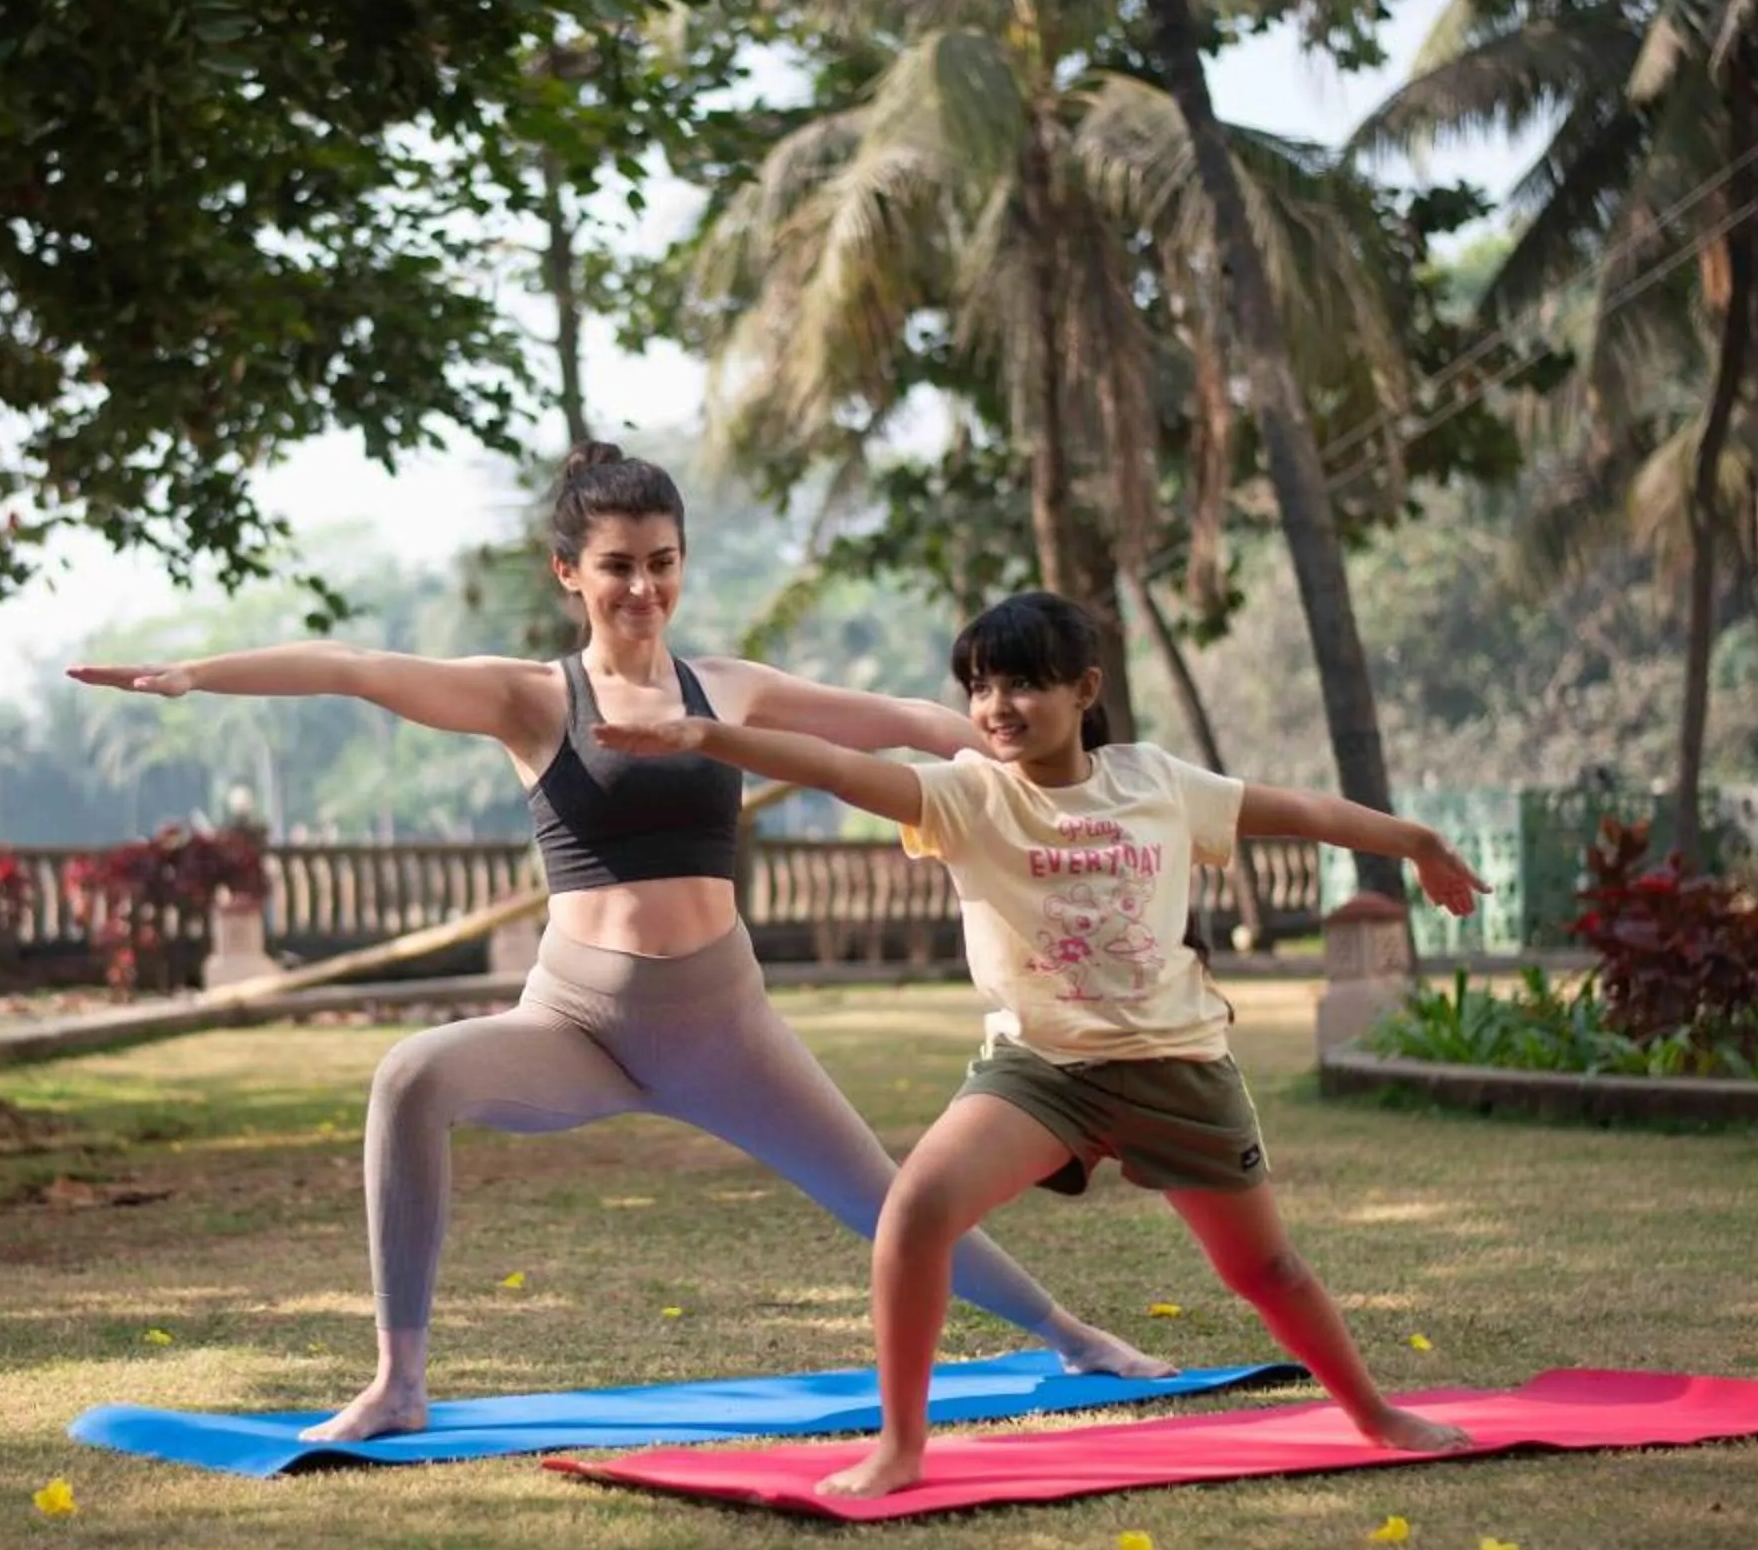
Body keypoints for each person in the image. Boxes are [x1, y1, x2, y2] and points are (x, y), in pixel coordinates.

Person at [68, 446, 1154, 1441]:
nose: (644, 587)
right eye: (618, 564)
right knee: (410, 1076)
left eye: (663, 561)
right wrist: (198, 674)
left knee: (890, 1198)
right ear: (568, 572)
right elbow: (357, 665)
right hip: (575, 1021)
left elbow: (912, 721)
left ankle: (1072, 1334)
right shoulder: (533, 697)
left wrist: (1074, 777)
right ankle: (399, 1380)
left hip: (722, 1024)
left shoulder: (726, 688)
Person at [592, 590, 1485, 1497]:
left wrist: (1415, 841)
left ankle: (1377, 1415)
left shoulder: (1155, 781)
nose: (995, 707)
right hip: (1042, 1072)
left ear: (1084, 688)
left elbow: (1300, 811)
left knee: (1264, 1267)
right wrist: (706, 738)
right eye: (979, 687)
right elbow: (833, 768)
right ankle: (901, 1449)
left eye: (1022, 684)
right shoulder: (968, 795)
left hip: (1178, 1068)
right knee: (915, 1212)